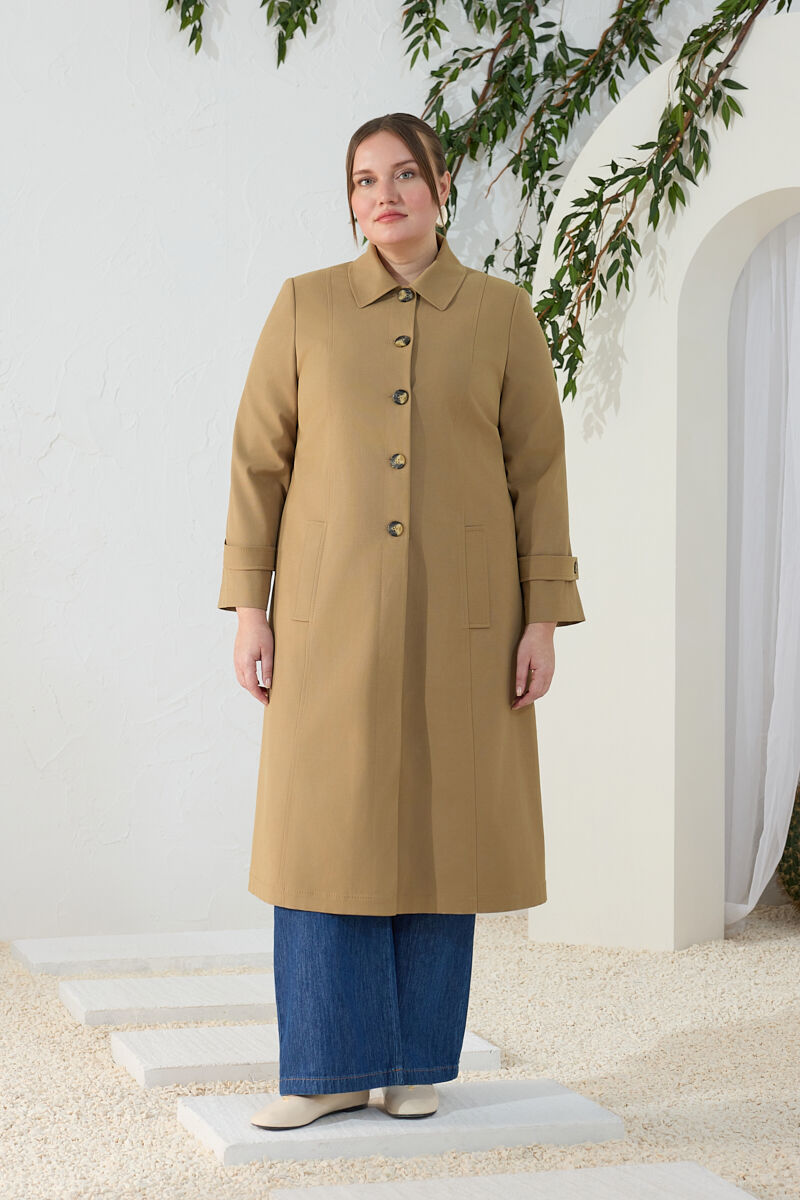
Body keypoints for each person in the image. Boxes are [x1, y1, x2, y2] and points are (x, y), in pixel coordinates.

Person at [217, 113, 585, 1131]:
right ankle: (326, 1069)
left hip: (464, 619)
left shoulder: (502, 314)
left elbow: (539, 473)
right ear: (350, 200)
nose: (383, 195)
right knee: (322, 833)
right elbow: (258, 461)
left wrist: (541, 620)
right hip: (326, 617)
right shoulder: (304, 305)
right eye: (363, 180)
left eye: (403, 175)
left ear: (441, 184)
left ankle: (413, 1059)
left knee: (439, 829)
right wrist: (251, 607)